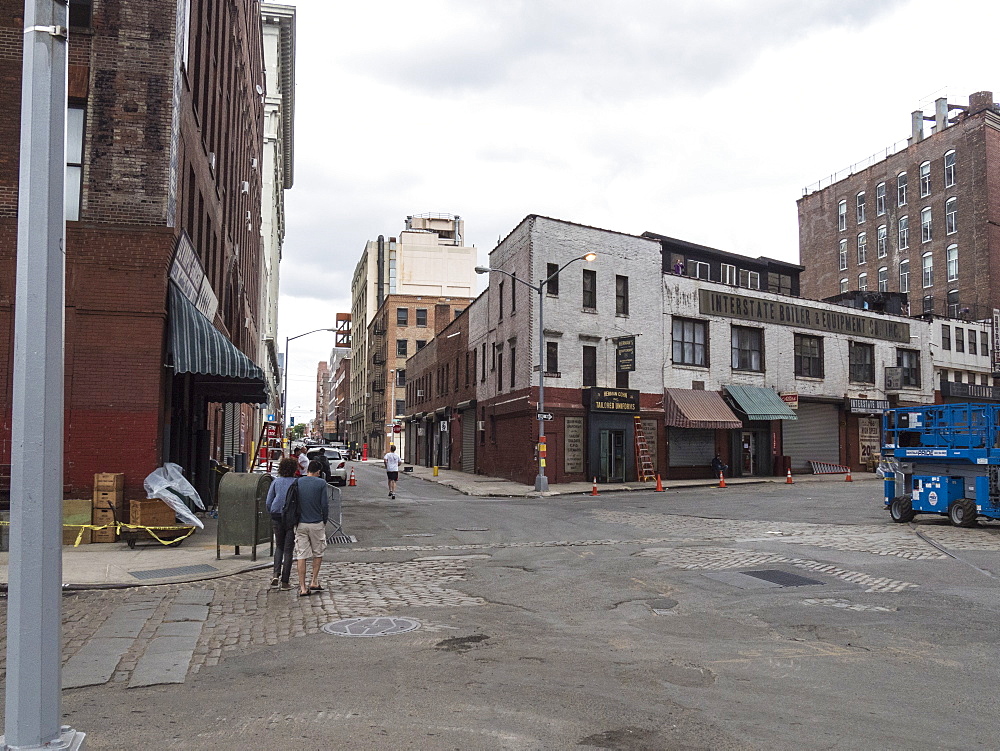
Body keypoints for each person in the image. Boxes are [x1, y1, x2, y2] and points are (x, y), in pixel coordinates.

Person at [293, 460, 329, 597]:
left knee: (301, 555)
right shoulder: (321, 483)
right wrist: (324, 519)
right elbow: (324, 505)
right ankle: (314, 580)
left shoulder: (298, 482)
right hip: (316, 523)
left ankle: (302, 587)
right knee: (318, 552)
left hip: (301, 523)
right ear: (318, 472)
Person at [264, 457, 298, 590]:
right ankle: (285, 581)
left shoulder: (276, 482)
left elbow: (268, 501)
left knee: (279, 546)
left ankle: (275, 574)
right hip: (290, 518)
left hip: (276, 515)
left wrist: (271, 511)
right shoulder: (296, 483)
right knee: (288, 550)